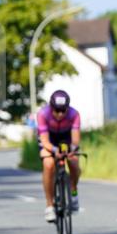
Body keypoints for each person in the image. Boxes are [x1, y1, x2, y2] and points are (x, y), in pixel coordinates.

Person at [36, 90, 82, 222]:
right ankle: (49, 205)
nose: (60, 114)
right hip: (49, 140)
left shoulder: (74, 114)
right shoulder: (43, 114)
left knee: (73, 162)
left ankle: (73, 192)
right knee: (48, 164)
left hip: (66, 138)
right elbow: (44, 141)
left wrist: (71, 150)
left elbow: (75, 141)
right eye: (57, 110)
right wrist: (55, 150)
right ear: (51, 107)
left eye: (63, 110)